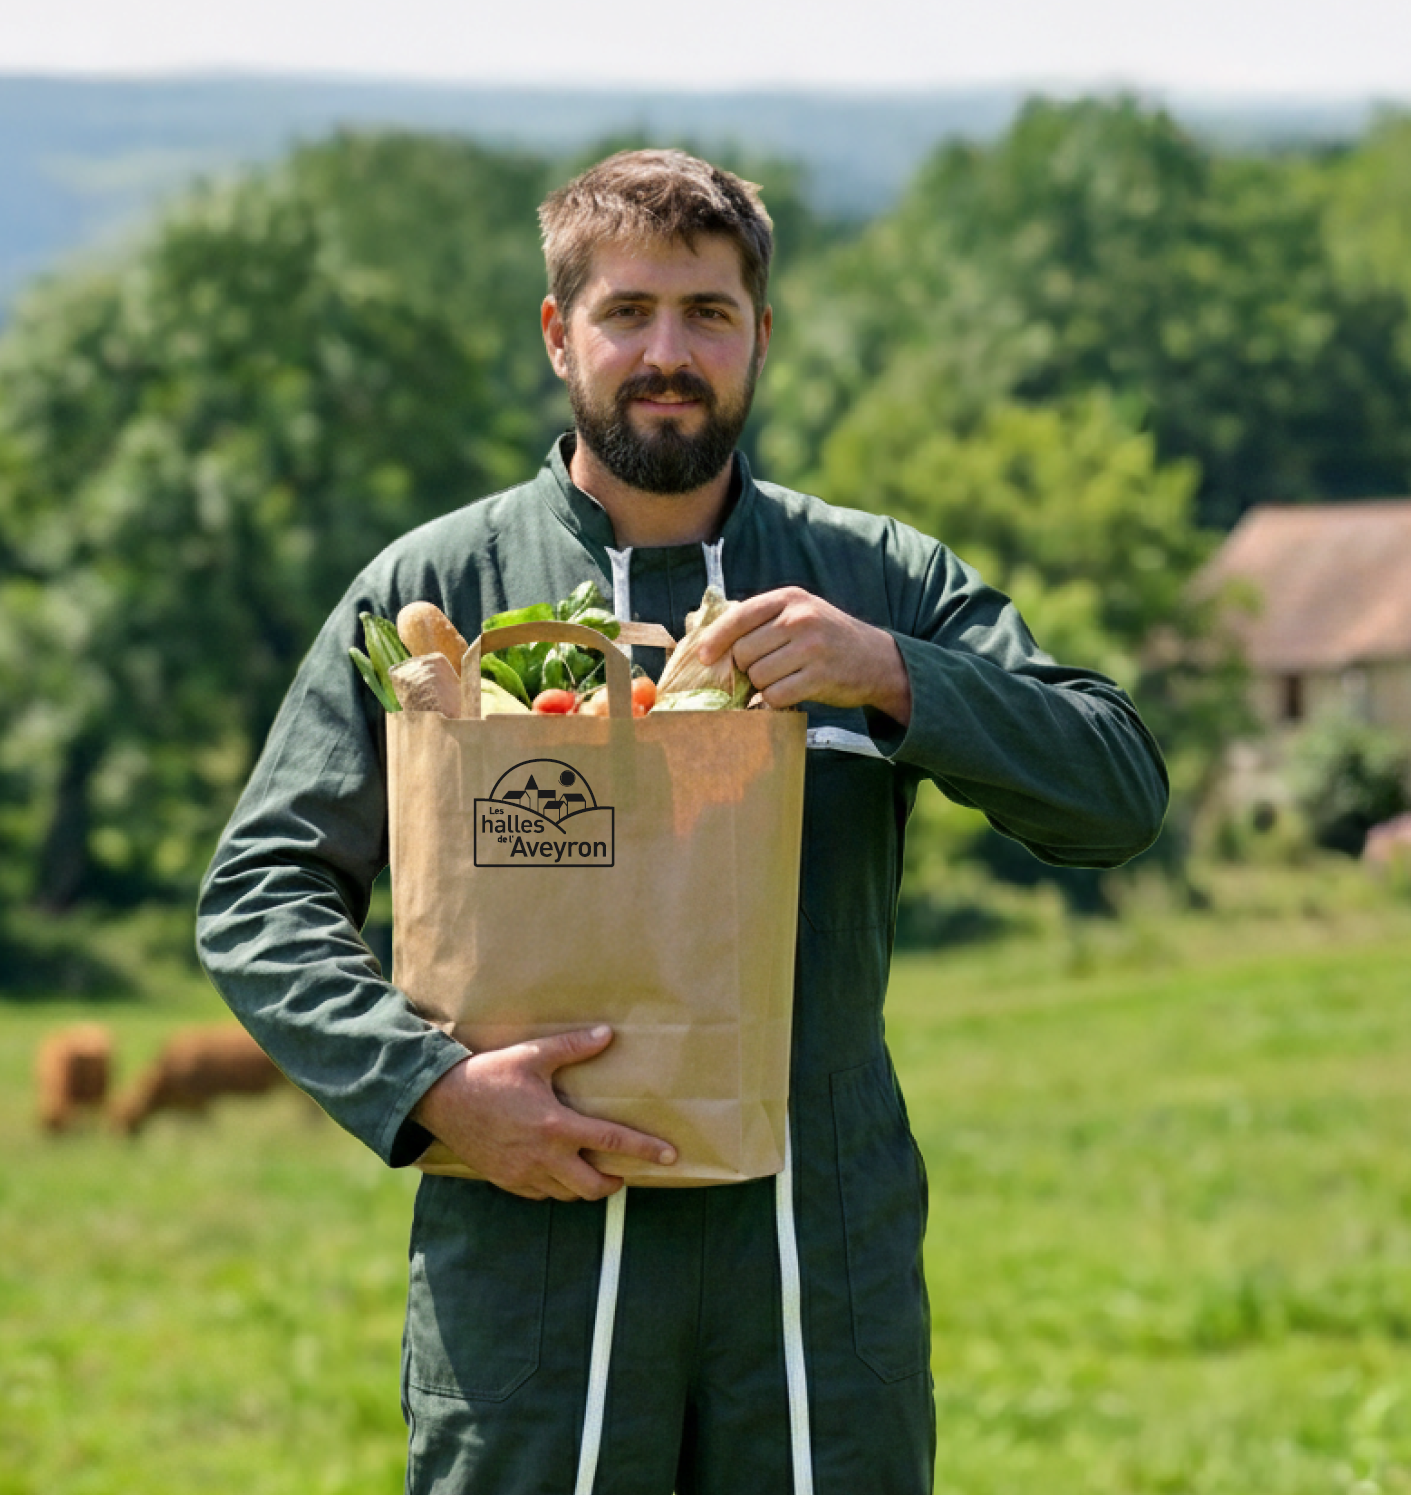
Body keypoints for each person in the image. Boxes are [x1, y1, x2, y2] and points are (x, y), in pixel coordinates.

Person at [196, 148, 1169, 1493]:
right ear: (558, 334)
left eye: (708, 314)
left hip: (816, 1279)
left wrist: (893, 671)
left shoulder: (876, 580)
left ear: (760, 335)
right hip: (527, 1283)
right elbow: (261, 895)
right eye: (627, 312)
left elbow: (1115, 791)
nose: (668, 352)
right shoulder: (437, 585)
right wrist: (428, 1092)